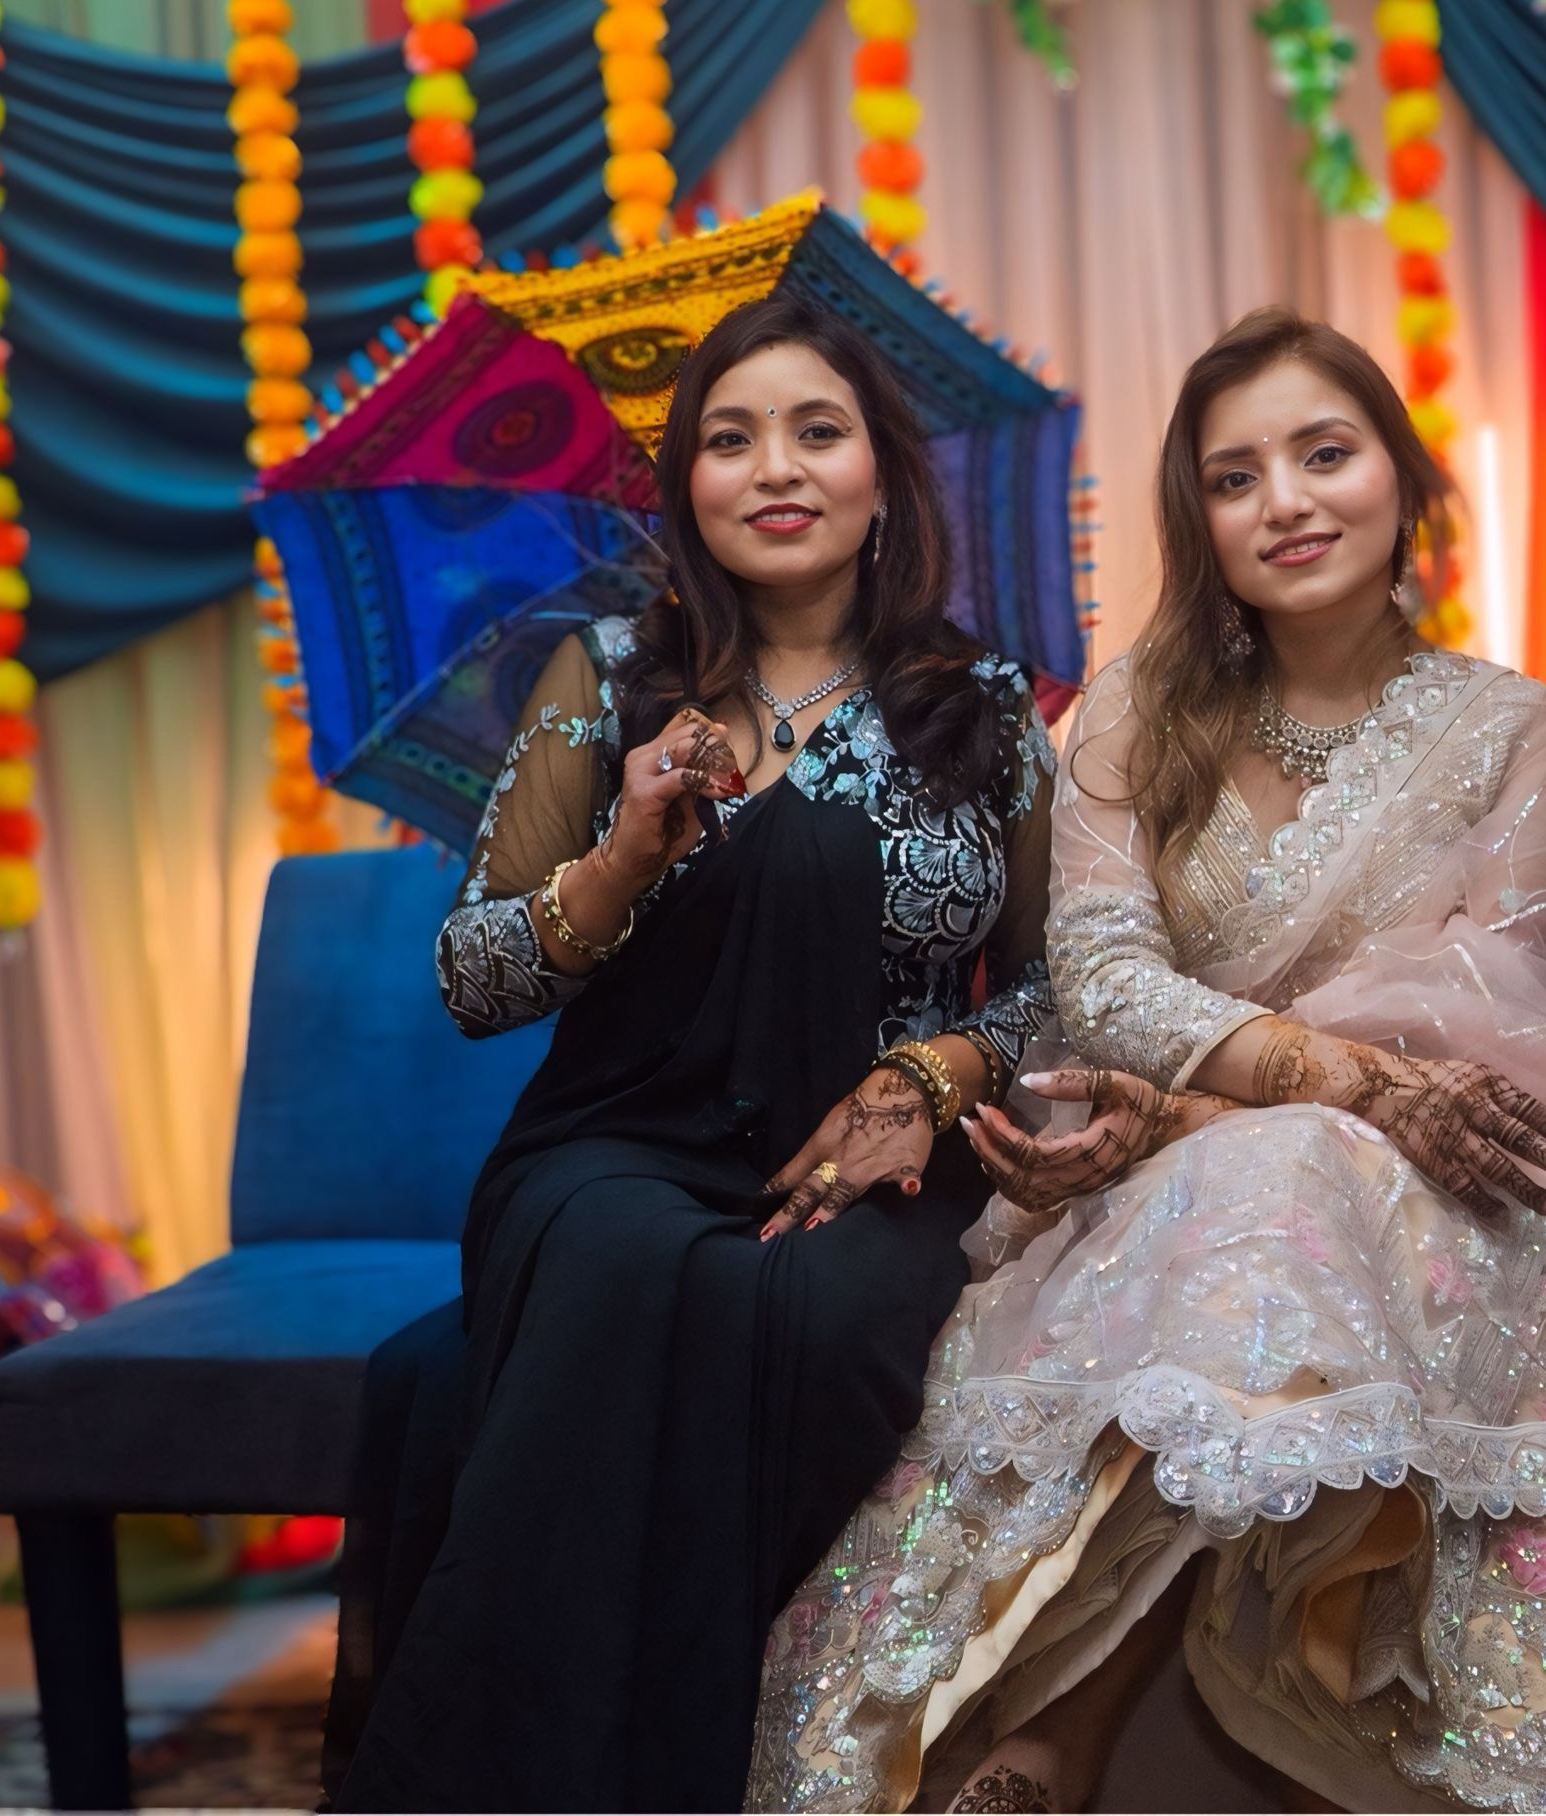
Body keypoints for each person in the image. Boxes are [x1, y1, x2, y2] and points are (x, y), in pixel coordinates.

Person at [747, 310, 1546, 1814]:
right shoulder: (1132, 717)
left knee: (1287, 1189)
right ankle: (1036, 1745)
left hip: (1462, 1186)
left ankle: (1097, 1746)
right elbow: (1098, 977)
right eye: (1237, 477)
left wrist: (1255, 1102)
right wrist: (1242, 1100)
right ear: (1200, 521)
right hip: (1158, 1168)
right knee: (1263, 1198)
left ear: (1402, 484)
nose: (1286, 500)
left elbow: (1498, 1022)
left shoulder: (1509, 728)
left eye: (1325, 454)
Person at [324, 293, 1060, 1810]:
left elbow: (1064, 985)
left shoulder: (979, 707)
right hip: (614, 1153)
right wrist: (621, 854)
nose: (774, 468)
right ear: (686, 488)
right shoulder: (605, 681)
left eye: (816, 430)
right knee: (617, 1270)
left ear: (880, 478)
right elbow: (472, 978)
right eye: (729, 440)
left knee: (826, 1322)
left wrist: (935, 1078)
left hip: (872, 1165)